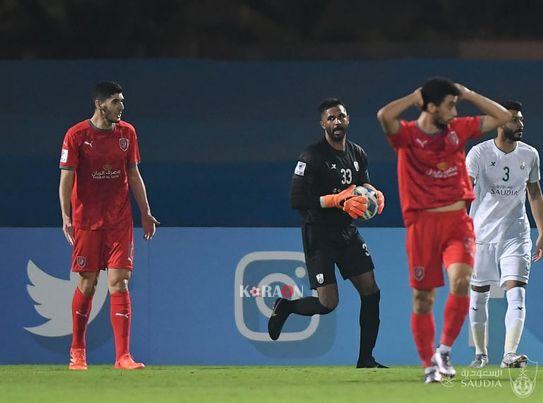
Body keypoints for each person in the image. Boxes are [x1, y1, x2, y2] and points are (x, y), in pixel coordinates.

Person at [377, 77, 511, 383]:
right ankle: (429, 365)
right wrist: (414, 98)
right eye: (450, 105)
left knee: (462, 280)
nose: (455, 110)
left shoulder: (458, 129)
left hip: (456, 222)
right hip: (422, 225)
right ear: (432, 107)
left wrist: (468, 93)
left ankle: (445, 350)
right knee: (423, 299)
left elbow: (503, 117)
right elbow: (384, 116)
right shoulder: (407, 136)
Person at [268, 98, 387, 368]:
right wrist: (335, 201)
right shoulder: (312, 156)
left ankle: (366, 359)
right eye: (331, 118)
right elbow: (296, 200)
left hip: (347, 232)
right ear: (323, 123)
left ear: (348, 120)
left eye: (341, 117)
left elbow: (361, 183)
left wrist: (374, 192)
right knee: (328, 303)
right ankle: (286, 307)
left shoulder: (357, 153)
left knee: (371, 291)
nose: (336, 122)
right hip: (319, 234)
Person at [59, 81, 159, 370]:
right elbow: (66, 178)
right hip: (87, 220)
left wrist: (146, 211)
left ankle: (122, 356)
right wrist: (66, 216)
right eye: (116, 101)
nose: (122, 107)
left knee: (120, 282)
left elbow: (133, 173)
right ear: (100, 104)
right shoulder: (76, 135)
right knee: (88, 284)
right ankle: (77, 350)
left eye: (122, 101)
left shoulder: (128, 133)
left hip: (119, 220)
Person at [467, 101, 543, 369]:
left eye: (521, 120)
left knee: (517, 293)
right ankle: (480, 354)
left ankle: (510, 353)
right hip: (482, 234)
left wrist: (542, 231)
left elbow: (534, 193)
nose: (520, 124)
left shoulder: (530, 154)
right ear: (499, 123)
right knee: (479, 294)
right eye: (513, 120)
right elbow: (465, 192)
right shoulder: (478, 153)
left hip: (516, 234)